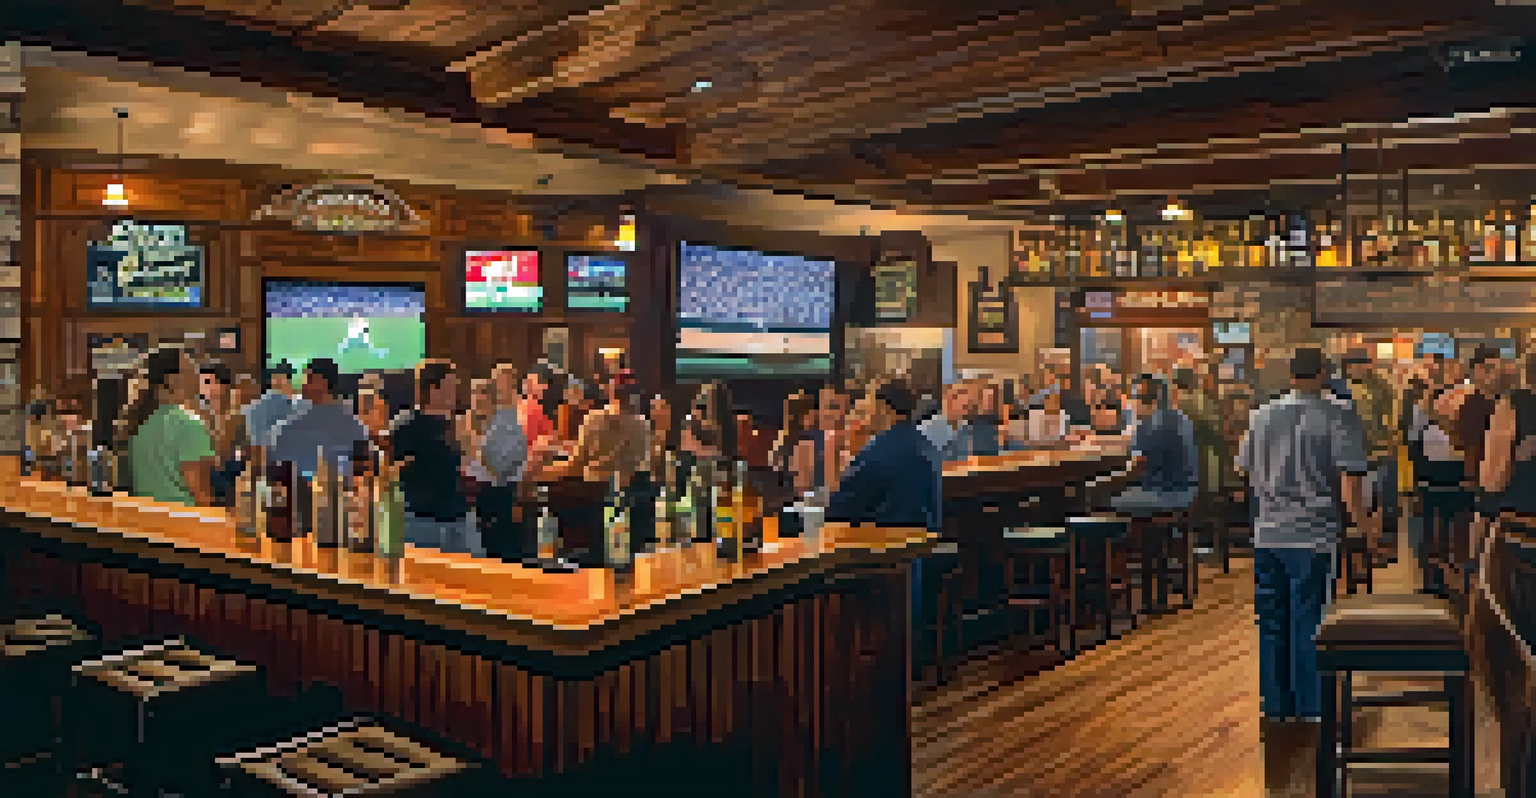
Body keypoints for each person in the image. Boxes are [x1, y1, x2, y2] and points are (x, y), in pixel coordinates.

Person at [1239, 347, 1369, 723]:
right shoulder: (1339, 415)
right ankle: (1311, 706)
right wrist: (1365, 529)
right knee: (1310, 618)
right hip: (1313, 534)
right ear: (1324, 373)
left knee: (1271, 620)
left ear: (1290, 375)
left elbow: (1247, 470)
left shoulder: (1260, 416)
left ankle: (1276, 706)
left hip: (1267, 533)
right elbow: (1350, 483)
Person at [826, 381, 942, 531]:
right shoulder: (929, 447)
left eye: (868, 408)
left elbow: (837, 512)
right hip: (926, 543)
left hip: (885, 547)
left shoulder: (874, 455)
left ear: (882, 408)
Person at [392, 361, 474, 554]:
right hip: (422, 522)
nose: (454, 392)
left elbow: (468, 462)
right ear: (432, 389)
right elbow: (394, 469)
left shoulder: (457, 424)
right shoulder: (407, 425)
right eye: (449, 386)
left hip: (459, 518)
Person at [125, 347, 218, 506]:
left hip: (147, 520)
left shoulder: (141, 422)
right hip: (184, 522)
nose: (198, 376)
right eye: (191, 369)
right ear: (172, 380)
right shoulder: (189, 424)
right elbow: (201, 494)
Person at [1110, 375, 1198, 516]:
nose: (1131, 404)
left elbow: (1136, 469)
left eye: (1134, 397)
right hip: (1188, 492)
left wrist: (1099, 484)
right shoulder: (1180, 417)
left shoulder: (1150, 423)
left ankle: (1132, 538)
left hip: (1164, 494)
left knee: (1108, 503)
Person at [268, 358, 370, 476]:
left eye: (309, 379)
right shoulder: (356, 425)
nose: (303, 385)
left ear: (322, 383)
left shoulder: (351, 425)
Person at [1343, 348, 1399, 557]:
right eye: (1360, 364)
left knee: (1381, 498)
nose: (1364, 368)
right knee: (1361, 500)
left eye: (1366, 363)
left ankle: (1375, 539)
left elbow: (1388, 406)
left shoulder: (1375, 386)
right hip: (1357, 454)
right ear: (1349, 367)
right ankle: (1369, 542)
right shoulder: (1343, 390)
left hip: (1378, 451)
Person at [478, 364, 528, 561]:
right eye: (498, 383)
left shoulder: (517, 414)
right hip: (490, 488)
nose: (500, 388)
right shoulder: (494, 414)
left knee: (505, 549)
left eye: (505, 383)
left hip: (506, 488)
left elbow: (514, 457)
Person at [246, 361, 306, 448]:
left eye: (280, 378)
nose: (276, 381)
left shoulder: (303, 403)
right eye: (275, 378)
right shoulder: (260, 406)